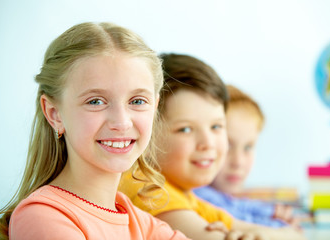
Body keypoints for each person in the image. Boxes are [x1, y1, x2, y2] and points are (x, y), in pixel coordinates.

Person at [0, 22, 190, 240]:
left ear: (154, 108)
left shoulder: (141, 223)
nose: (122, 122)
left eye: (137, 100)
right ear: (54, 114)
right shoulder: (42, 217)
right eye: (96, 101)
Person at [119, 53, 306, 240]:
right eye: (185, 129)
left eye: (216, 126)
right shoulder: (146, 188)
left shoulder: (184, 195)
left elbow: (256, 229)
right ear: (147, 132)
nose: (208, 143)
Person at [194, 85, 299, 228]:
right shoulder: (196, 195)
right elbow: (235, 219)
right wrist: (282, 224)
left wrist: (275, 213)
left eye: (248, 147)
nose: (238, 162)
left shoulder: (228, 199)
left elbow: (240, 206)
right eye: (228, 145)